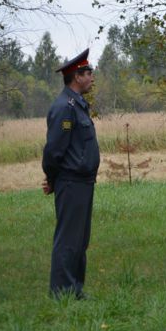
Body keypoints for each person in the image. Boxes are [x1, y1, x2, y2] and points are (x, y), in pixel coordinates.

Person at [42, 48, 100, 298]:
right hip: (71, 182)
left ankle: (74, 288)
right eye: (89, 72)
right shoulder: (64, 107)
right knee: (68, 238)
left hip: (83, 182)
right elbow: (54, 150)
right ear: (77, 76)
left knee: (80, 240)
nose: (92, 77)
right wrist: (53, 179)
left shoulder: (77, 105)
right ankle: (61, 292)